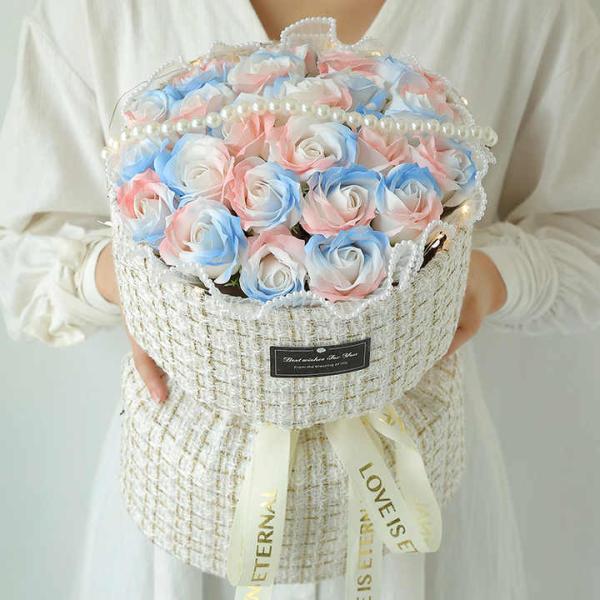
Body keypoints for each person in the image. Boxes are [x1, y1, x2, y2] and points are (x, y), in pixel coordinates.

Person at [1, 0, 599, 598]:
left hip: (408, 468)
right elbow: (21, 259)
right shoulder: (91, 12)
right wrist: (136, 286)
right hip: (195, 481)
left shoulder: (534, 12)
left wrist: (484, 277)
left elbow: (585, 234)